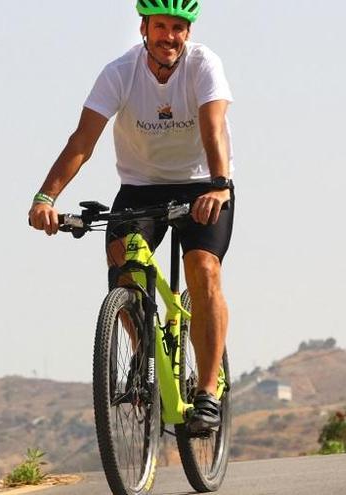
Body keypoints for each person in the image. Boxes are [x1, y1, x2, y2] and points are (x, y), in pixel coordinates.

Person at [28, 0, 234, 433]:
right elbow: (83, 140)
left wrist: (219, 183)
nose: (170, 36)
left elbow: (214, 128)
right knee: (122, 259)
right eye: (161, 26)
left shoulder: (204, 65)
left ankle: (208, 392)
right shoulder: (120, 72)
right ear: (144, 27)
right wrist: (46, 196)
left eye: (179, 27)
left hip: (202, 182)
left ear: (188, 32)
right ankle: (144, 357)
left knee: (202, 269)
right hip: (141, 185)